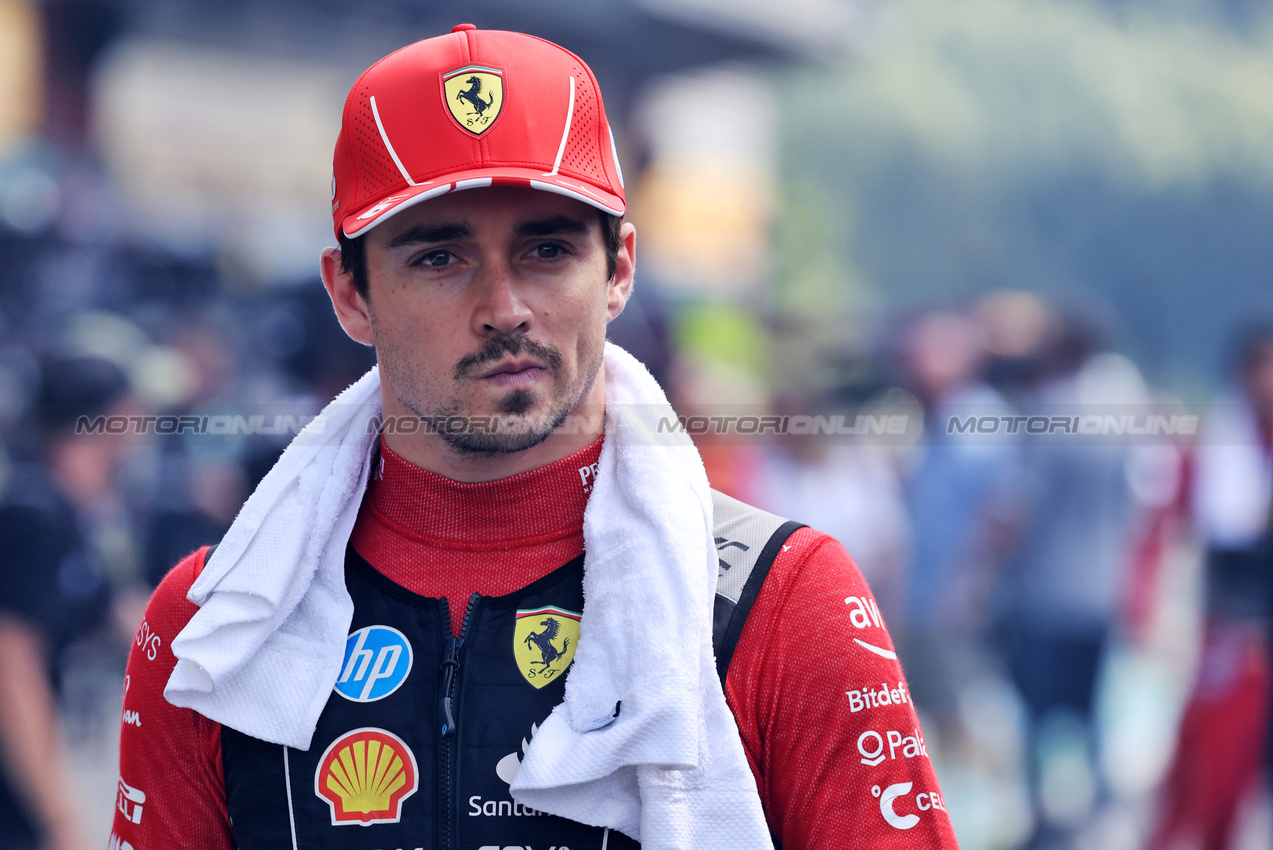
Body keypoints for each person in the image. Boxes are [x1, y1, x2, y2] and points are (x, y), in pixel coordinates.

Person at [111, 26, 957, 850]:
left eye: (547, 250)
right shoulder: (212, 629)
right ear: (351, 294)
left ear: (619, 268)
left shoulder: (780, 600)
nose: (504, 307)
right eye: (439, 259)